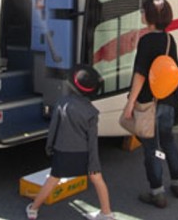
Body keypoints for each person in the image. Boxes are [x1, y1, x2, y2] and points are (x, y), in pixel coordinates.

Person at [25, 67, 114, 220]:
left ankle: (33, 209)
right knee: (98, 180)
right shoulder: (92, 112)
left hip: (63, 151)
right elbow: (92, 141)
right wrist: (94, 164)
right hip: (85, 153)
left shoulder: (62, 103)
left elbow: (53, 129)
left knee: (53, 179)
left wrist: (49, 147)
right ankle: (106, 213)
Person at [123, 0, 178, 209]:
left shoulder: (146, 40)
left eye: (143, 11)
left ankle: (157, 193)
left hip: (149, 103)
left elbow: (140, 75)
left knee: (151, 148)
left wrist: (130, 103)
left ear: (150, 16)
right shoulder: (169, 40)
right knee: (168, 141)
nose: (141, 14)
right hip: (167, 101)